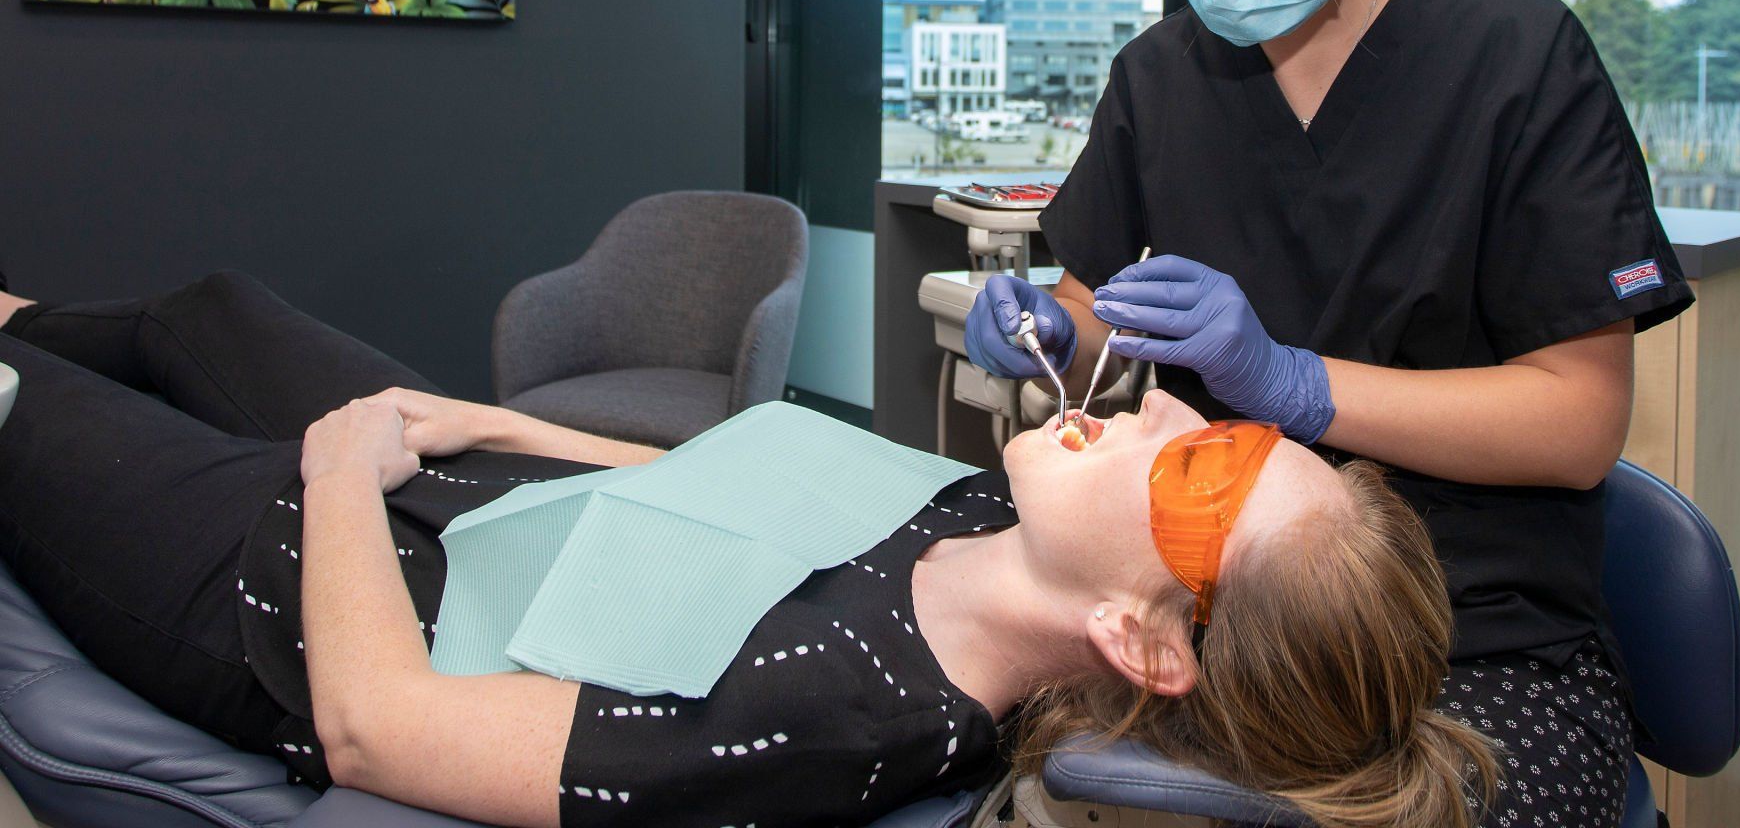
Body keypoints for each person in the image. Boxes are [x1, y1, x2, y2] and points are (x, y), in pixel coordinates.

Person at [0, 271, 1495, 828]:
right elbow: (724, 482)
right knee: (210, 312)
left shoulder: (834, 717)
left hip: (295, 591)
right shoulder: (982, 517)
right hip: (463, 492)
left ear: (1145, 640)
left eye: (1207, 467)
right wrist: (483, 422)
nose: (1163, 401)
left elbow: (377, 726)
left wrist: (335, 473)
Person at [963, 0, 1692, 828]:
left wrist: (1293, 381)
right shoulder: (1161, 76)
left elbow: (1576, 422)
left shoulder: (1513, 57)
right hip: (1196, 613)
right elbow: (1094, 299)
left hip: (1467, 635)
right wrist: (1054, 328)